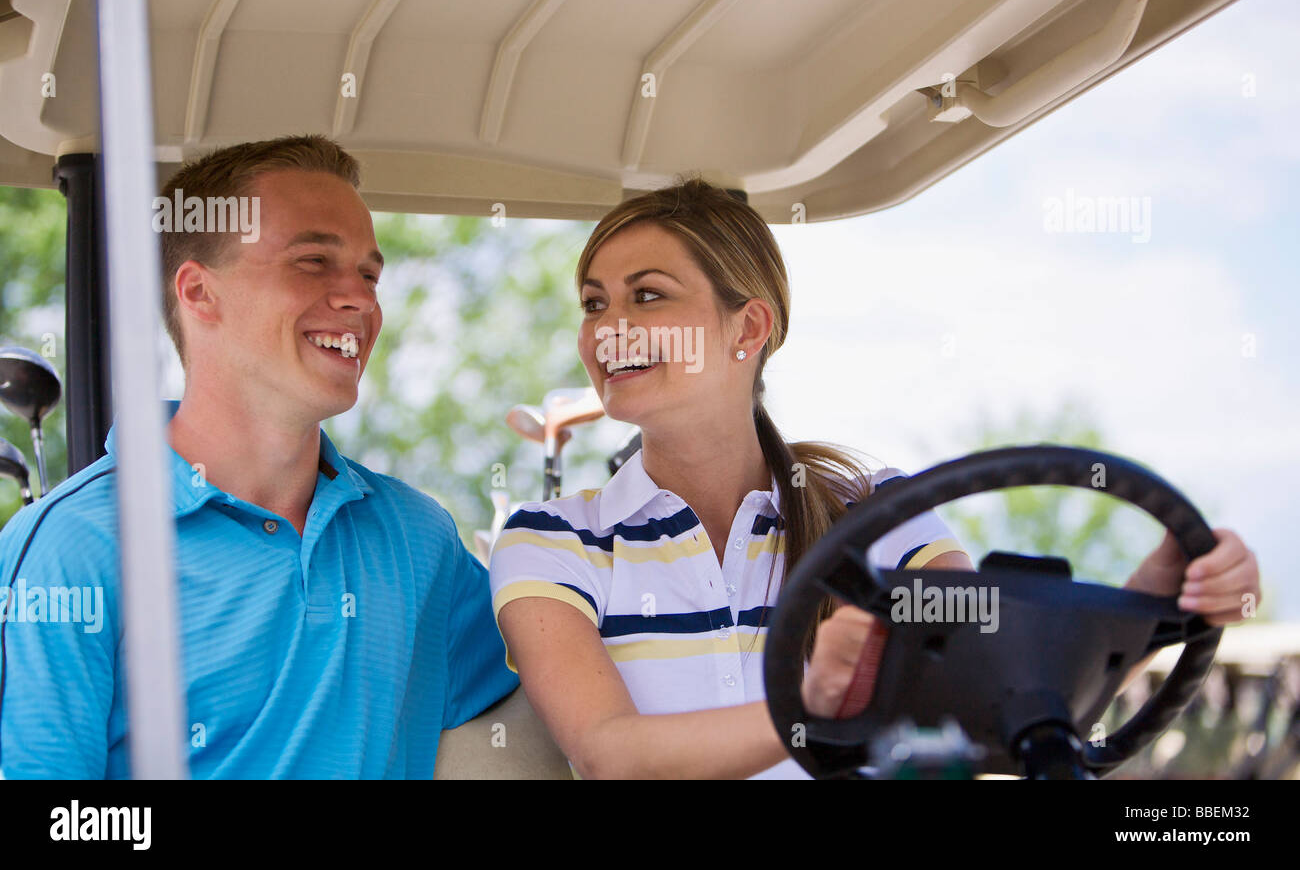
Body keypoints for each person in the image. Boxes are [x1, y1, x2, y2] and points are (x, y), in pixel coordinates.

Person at [489, 177, 1262, 780]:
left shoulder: (880, 509)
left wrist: (1157, 600)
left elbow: (997, 679)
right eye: (594, 304)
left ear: (748, 328)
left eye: (647, 295)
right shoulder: (553, 541)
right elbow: (609, 757)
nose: (607, 328)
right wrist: (806, 707)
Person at [0, 135, 516, 778]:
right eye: (312, 261)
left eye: (368, 273)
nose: (360, 299)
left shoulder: (417, 538)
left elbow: (558, 691)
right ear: (199, 293)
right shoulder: (69, 550)